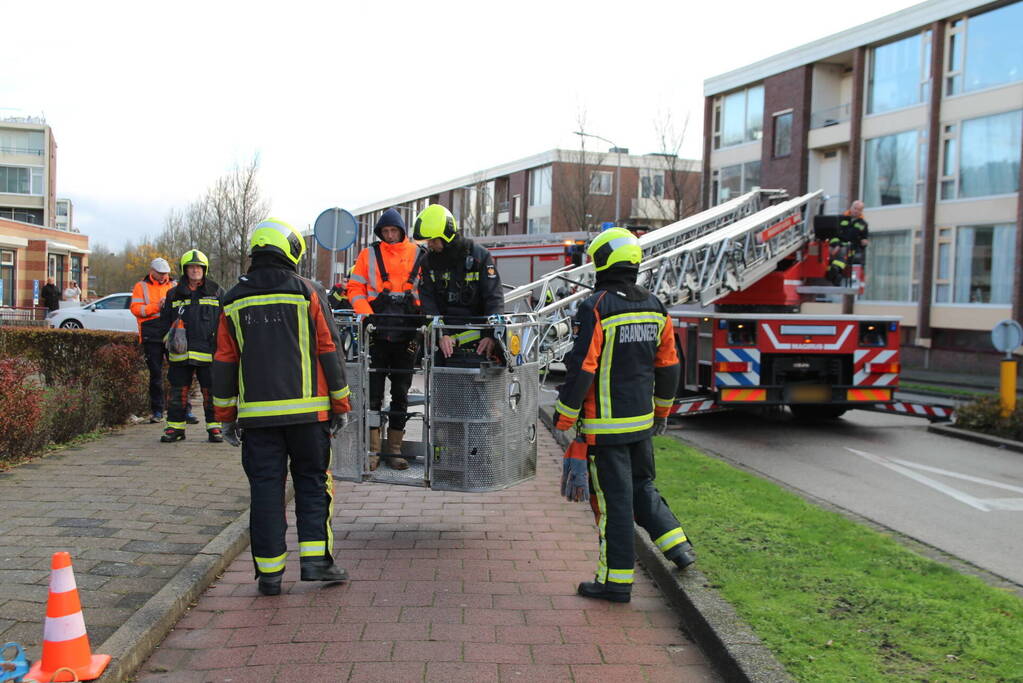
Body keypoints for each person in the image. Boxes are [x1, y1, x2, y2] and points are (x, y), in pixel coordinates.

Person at [553, 227, 695, 604]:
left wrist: (564, 418)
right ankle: (679, 547)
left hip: (604, 430)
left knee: (614, 506)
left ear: (602, 261)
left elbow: (583, 367)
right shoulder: (654, 304)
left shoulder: (596, 306)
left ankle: (615, 583)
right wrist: (662, 411)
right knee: (641, 487)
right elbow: (669, 366)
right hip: (641, 425)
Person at [212, 217, 352, 597]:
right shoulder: (307, 291)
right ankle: (316, 563)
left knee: (266, 490)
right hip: (309, 416)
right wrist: (340, 404)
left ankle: (270, 575)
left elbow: (224, 360)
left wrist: (224, 415)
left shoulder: (232, 299)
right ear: (289, 251)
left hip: (258, 420)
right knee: (312, 482)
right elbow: (329, 349)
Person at [348, 208, 424, 470]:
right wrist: (366, 316)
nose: (390, 236)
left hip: (407, 335)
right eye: (385, 231)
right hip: (376, 333)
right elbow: (355, 288)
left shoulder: (417, 254)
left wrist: (418, 313)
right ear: (380, 232)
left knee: (401, 394)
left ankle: (394, 451)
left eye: (394, 231)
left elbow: (426, 291)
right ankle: (373, 451)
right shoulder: (368, 254)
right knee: (374, 395)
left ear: (402, 231)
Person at [414, 204, 503, 363]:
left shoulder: (479, 257)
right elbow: (428, 304)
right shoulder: (428, 262)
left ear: (447, 236)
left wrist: (491, 336)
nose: (430, 245)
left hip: (478, 344)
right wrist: (442, 335)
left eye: (433, 240)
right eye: (428, 241)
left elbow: (494, 298)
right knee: (441, 387)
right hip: (443, 346)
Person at [157, 249, 225, 443]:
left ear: (205, 269)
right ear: (184, 270)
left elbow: (226, 321)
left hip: (208, 353)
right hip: (181, 354)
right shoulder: (173, 294)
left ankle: (214, 427)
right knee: (178, 391)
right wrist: (167, 344)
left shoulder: (217, 292)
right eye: (191, 267)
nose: (195, 270)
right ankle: (175, 428)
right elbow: (164, 323)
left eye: (198, 267)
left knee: (211, 392)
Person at [131, 258, 176, 423]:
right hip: (151, 334)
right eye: (161, 274)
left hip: (171, 333)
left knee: (179, 373)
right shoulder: (141, 287)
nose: (164, 276)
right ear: (153, 271)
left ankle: (182, 410)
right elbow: (136, 309)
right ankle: (158, 411)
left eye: (166, 274)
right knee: (156, 374)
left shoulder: (173, 286)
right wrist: (157, 306)